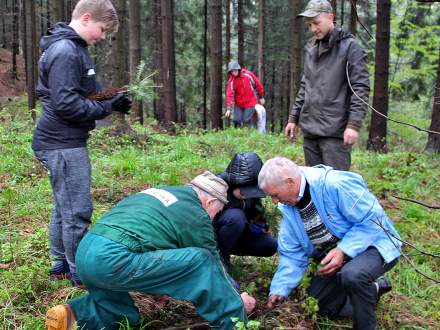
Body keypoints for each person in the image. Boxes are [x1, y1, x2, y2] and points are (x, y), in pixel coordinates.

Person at [45, 171, 256, 330]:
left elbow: (153, 244)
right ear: (209, 201)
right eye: (216, 212)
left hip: (86, 252)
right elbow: (213, 265)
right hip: (112, 258)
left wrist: (159, 284)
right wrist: (236, 299)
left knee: (120, 312)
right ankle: (231, 321)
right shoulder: (195, 212)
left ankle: (69, 315)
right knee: (203, 259)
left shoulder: (161, 194)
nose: (213, 218)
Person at [32, 0, 132, 287]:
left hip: (64, 140)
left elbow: (81, 95)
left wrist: (112, 99)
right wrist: (106, 109)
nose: (102, 37)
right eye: (101, 29)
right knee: (77, 210)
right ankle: (81, 275)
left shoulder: (75, 48)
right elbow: (67, 106)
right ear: (86, 19)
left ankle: (60, 265)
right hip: (61, 143)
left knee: (65, 206)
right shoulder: (65, 51)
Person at [258, 157, 401, 330]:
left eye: (274, 195)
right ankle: (372, 291)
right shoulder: (288, 208)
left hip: (376, 243)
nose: (274, 201)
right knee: (321, 304)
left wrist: (344, 250)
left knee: (353, 275)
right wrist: (279, 289)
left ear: (290, 182)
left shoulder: (335, 184)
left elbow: (373, 219)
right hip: (335, 255)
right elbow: (292, 253)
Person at [285, 0, 370, 171]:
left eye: (316, 23)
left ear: (331, 17)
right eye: (309, 25)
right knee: (316, 186)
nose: (313, 29)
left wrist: (353, 125)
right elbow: (305, 85)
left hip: (335, 133)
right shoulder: (311, 48)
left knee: (335, 186)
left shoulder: (350, 47)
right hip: (310, 131)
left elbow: (360, 88)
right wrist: (293, 118)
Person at [215, 152, 278, 270]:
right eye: (244, 192)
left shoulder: (252, 196)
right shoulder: (216, 188)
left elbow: (256, 214)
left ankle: (224, 253)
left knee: (270, 244)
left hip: (234, 237)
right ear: (234, 182)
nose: (247, 196)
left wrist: (257, 224)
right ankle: (219, 260)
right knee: (236, 217)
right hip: (212, 240)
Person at [225, 61, 266, 130]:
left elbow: (258, 84)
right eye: (232, 71)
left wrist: (261, 97)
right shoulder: (231, 81)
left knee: (246, 120)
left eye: (235, 70)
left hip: (250, 102)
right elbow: (229, 94)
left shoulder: (248, 75)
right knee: (236, 120)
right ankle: (237, 136)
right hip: (238, 103)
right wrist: (229, 108)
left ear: (238, 69)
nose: (234, 73)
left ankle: (250, 135)